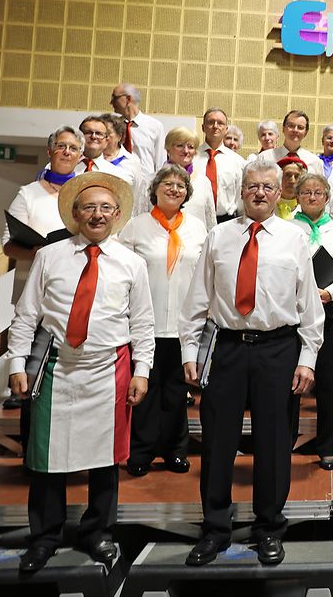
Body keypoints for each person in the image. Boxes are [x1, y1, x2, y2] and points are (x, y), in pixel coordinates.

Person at [5, 172, 155, 573]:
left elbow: (142, 323)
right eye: (89, 207)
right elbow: (26, 315)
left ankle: (98, 533)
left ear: (118, 214)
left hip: (109, 369)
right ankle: (45, 537)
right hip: (57, 368)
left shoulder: (132, 263)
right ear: (75, 214)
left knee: (106, 460)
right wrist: (17, 362)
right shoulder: (49, 256)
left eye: (105, 207)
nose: (97, 214)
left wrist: (142, 369)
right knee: (45, 458)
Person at [179, 158, 324, 567]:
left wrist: (308, 359)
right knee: (217, 442)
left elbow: (309, 306)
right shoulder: (219, 236)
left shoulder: (294, 238)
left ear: (279, 194)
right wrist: (189, 351)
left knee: (274, 443)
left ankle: (269, 529)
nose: (259, 192)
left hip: (278, 349)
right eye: (252, 186)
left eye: (267, 187)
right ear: (242, 191)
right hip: (225, 348)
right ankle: (214, 529)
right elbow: (197, 299)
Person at [119, 165, 208, 478]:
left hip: (184, 326)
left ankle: (175, 450)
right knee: (144, 392)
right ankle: (140, 452)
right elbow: (122, 273)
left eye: (180, 185)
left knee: (176, 394)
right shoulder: (136, 226)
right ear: (154, 190)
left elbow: (205, 273)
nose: (174, 189)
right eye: (167, 184)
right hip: (146, 323)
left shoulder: (197, 228)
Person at [290, 172, 333, 471]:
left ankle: (328, 446)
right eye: (306, 192)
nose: (312, 197)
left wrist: (329, 292)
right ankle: (285, 439)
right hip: (295, 315)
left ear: (327, 197)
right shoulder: (288, 228)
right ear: (297, 196)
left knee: (330, 383)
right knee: (291, 382)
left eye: (318, 192)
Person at [4, 126, 82, 298]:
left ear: (80, 156)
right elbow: (8, 246)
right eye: (61, 146)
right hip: (33, 284)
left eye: (73, 148)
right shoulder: (28, 193)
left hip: (73, 284)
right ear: (49, 151)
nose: (67, 152)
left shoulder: (86, 194)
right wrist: (33, 253)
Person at [134, 128, 216, 229]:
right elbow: (138, 218)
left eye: (190, 147)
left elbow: (211, 223)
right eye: (180, 145)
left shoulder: (203, 182)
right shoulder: (150, 181)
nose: (186, 151)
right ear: (168, 149)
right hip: (156, 236)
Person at [193, 108, 246, 223]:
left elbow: (241, 198)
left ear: (226, 129)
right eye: (211, 122)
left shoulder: (238, 161)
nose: (215, 126)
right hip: (195, 219)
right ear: (203, 127)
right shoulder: (192, 158)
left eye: (220, 123)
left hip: (227, 220)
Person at [111, 82, 166, 178]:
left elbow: (160, 162)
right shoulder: (113, 126)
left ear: (128, 99)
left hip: (146, 182)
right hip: (118, 180)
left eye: (115, 98)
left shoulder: (155, 126)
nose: (111, 102)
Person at [75, 115, 133, 181]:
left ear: (106, 140)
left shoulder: (117, 175)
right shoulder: (68, 167)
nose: (93, 136)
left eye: (99, 134)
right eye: (88, 132)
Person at [99, 113, 142, 181]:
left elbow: (137, 187)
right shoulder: (90, 159)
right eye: (100, 133)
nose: (103, 137)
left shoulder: (132, 161)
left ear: (119, 136)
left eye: (107, 133)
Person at [274, 153, 308, 220]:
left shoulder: (306, 209)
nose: (292, 181)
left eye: (297, 176)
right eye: (288, 175)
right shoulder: (268, 207)